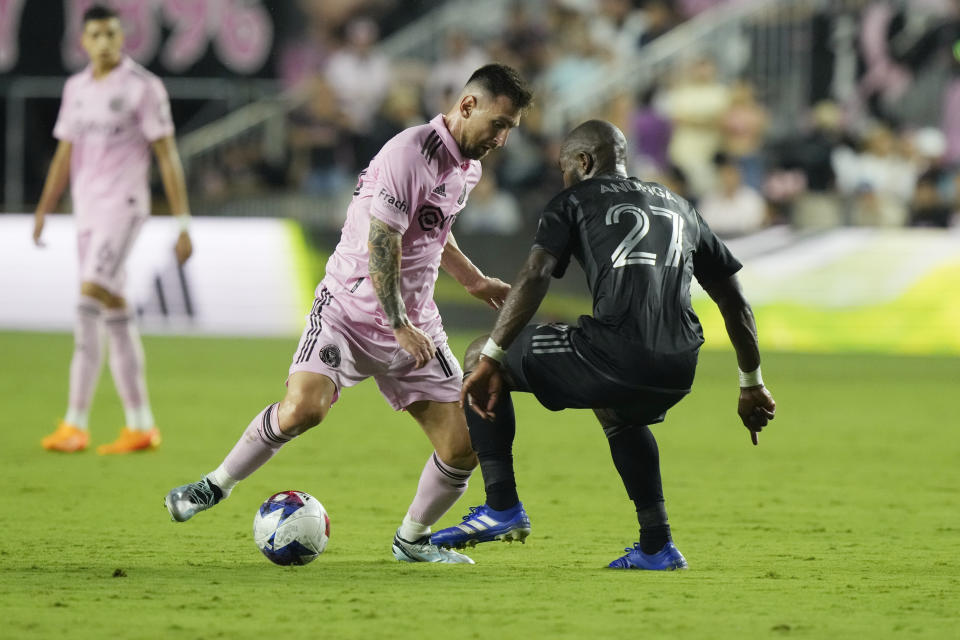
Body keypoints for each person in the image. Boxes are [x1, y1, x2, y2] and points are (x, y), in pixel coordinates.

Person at [165, 64, 533, 564]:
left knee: (464, 445)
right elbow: (383, 237)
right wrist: (396, 322)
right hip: (350, 312)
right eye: (499, 124)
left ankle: (412, 539)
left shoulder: (467, 168)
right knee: (303, 410)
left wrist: (470, 279)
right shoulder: (410, 152)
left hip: (416, 325)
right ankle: (215, 485)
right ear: (467, 106)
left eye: (510, 128)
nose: (502, 139)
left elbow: (432, 228)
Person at [430, 120, 776, 570]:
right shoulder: (680, 206)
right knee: (615, 407)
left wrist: (495, 354)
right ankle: (657, 544)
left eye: (564, 168)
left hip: (618, 352)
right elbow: (734, 299)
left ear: (584, 162)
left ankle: (501, 506)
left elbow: (535, 275)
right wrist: (751, 383)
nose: (563, 179)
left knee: (478, 352)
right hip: (680, 363)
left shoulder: (573, 200)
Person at [34, 5, 193, 455]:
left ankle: (75, 423)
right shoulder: (76, 88)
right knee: (117, 317)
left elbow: (166, 155)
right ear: (82, 42)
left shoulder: (143, 87)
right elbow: (65, 153)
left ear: (122, 37)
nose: (103, 42)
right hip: (86, 213)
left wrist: (183, 223)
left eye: (110, 34)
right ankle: (141, 425)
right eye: (95, 35)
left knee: (87, 306)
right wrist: (45, 208)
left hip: (124, 209)